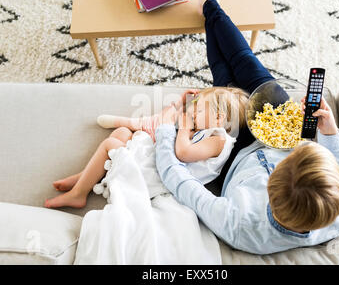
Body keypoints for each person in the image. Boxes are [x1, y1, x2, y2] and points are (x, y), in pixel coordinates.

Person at [153, 0, 339, 255]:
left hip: (238, 154)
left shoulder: (239, 224)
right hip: (286, 132)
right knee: (244, 61)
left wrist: (166, 129)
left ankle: (210, 2)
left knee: (224, 78)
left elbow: (177, 180)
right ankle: (210, 2)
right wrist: (329, 134)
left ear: (270, 192)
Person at [44, 86, 249, 208]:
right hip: (159, 160)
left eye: (199, 108)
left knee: (111, 145)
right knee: (122, 133)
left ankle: (79, 194)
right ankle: (84, 177)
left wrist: (185, 129)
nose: (193, 111)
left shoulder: (219, 140)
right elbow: (166, 121)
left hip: (160, 177)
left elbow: (183, 153)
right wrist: (180, 104)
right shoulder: (204, 129)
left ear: (220, 118)